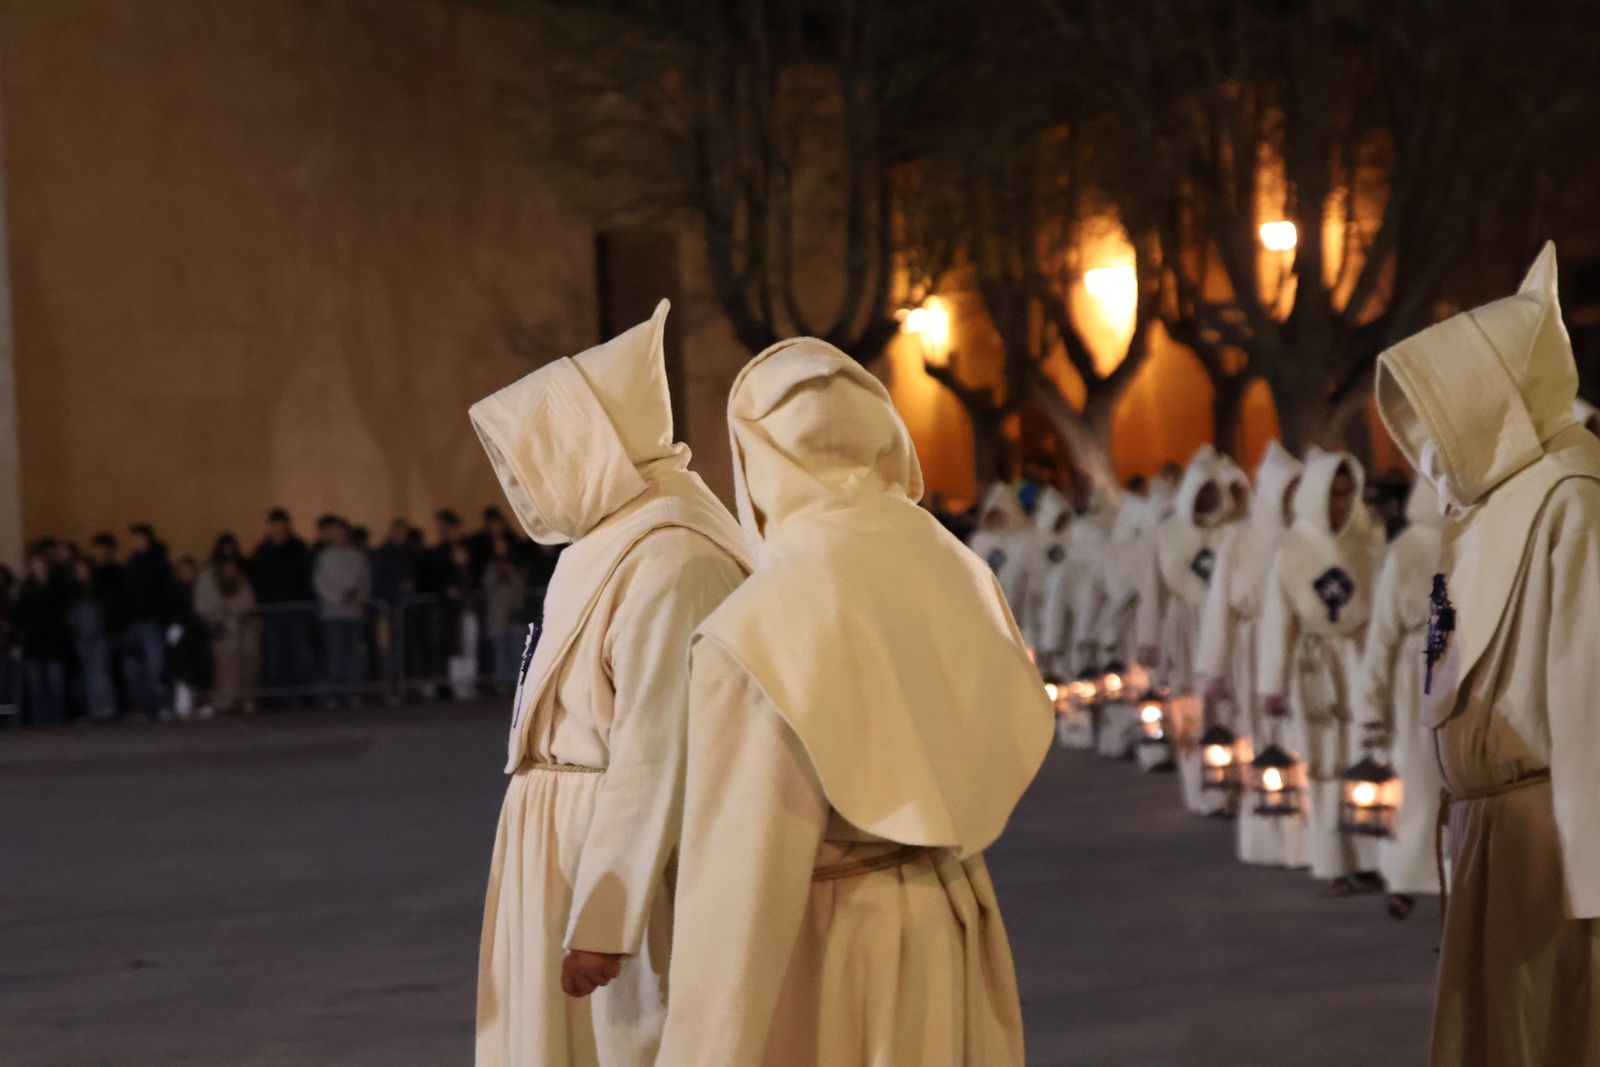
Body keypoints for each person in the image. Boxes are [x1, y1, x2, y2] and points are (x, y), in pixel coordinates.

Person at [656, 338, 1050, 1067]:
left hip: (834, 947)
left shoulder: (758, 627)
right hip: (951, 912)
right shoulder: (958, 570)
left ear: (757, 456)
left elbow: (741, 879)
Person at [471, 300, 749, 1067]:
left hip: (608, 850)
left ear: (593, 445)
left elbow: (658, 746)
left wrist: (605, 916)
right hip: (560, 838)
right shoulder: (611, 536)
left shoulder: (674, 556)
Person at [1374, 241, 1600, 1064]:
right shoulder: (1482, 508)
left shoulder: (1571, 498)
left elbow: (1588, 694)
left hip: (1546, 840)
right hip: (1485, 834)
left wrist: (1589, 877)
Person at [1257, 450, 1385, 896]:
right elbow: (1278, 620)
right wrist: (1271, 683)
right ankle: (1332, 861)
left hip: (1358, 660)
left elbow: (1380, 612)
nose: (1339, 504)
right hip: (1313, 668)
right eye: (1332, 494)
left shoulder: (1369, 543)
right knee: (1325, 763)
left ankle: (1370, 858)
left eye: (1347, 495)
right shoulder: (1291, 550)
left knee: (1367, 760)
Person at [1196, 441, 1308, 868]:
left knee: (1300, 741)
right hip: (1252, 647)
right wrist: (1215, 668)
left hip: (1301, 651)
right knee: (1261, 737)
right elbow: (1220, 607)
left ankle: (1304, 838)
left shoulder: (1307, 540)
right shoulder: (1239, 543)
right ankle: (1269, 835)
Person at [1354, 477, 1445, 921]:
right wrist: (1371, 705)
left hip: (1454, 668)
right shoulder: (1408, 548)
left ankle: (1446, 875)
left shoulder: (1477, 537)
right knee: (1419, 779)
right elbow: (1385, 631)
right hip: (1421, 673)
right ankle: (1407, 874)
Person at [1137, 445, 1230, 814]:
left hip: (1220, 627)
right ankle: (1199, 788)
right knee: (1188, 707)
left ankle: (1227, 787)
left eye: (1213, 490)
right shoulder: (1167, 533)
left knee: (1224, 710)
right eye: (1201, 490)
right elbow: (1152, 590)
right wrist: (1149, 638)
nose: (1208, 498)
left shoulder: (1230, 532)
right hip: (1184, 628)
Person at [252, 508, 316, 704]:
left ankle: (300, 697)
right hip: (273, 611)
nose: (279, 530)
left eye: (282, 526)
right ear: (270, 527)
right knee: (274, 655)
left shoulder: (299, 549)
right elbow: (257, 580)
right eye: (275, 526)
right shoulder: (262, 552)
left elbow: (307, 578)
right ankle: (275, 699)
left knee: (299, 654)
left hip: (297, 610)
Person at [313, 515, 370, 705]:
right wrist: (339, 597)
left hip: (353, 613)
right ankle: (334, 692)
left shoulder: (357, 555)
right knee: (335, 653)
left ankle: (353, 691)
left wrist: (357, 597)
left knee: (353, 653)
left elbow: (365, 581)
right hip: (333, 613)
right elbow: (321, 583)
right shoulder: (324, 556)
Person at [122, 523, 175, 719]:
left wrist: (164, 618)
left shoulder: (158, 561)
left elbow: (167, 591)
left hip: (152, 621)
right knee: (133, 668)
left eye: (137, 538)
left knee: (156, 667)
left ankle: (163, 705)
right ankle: (145, 707)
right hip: (134, 622)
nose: (133, 542)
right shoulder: (132, 562)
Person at [195, 549, 257, 715]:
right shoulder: (208, 579)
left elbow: (247, 602)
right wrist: (219, 614)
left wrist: (233, 611)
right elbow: (203, 605)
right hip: (219, 631)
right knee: (223, 667)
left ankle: (241, 699)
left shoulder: (240, 579)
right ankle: (224, 701)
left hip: (240, 631)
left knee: (244, 665)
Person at [13, 551, 71, 726]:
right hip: (33, 642)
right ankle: (41, 720)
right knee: (37, 685)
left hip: (54, 641)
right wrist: (19, 643)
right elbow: (21, 617)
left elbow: (63, 613)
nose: (39, 570)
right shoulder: (26, 589)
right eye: (36, 567)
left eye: (42, 566)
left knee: (56, 683)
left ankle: (58, 717)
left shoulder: (58, 587)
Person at [964, 482, 1030, 611]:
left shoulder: (1021, 541)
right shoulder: (979, 540)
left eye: (1001, 514)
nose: (997, 520)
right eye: (994, 515)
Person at [66, 556, 118, 721]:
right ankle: (95, 709)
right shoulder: (74, 590)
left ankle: (107, 709)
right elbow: (69, 614)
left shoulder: (99, 588)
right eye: (78, 569)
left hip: (99, 635)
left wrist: (105, 627)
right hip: (82, 636)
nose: (81, 572)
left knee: (100, 672)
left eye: (84, 568)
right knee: (89, 674)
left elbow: (109, 609)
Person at [164, 555, 215, 720]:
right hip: (183, 637)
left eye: (190, 571)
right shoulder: (175, 591)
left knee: (203, 670)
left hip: (198, 636)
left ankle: (203, 703)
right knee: (182, 670)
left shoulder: (201, 589)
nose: (187, 575)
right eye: (183, 571)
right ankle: (184, 704)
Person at [481, 536, 529, 696]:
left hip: (514, 613)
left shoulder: (516, 565)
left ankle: (517, 682)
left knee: (516, 649)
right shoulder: (490, 566)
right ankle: (502, 683)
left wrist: (512, 572)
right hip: (498, 615)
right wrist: (498, 574)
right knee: (500, 650)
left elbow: (521, 587)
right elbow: (487, 586)